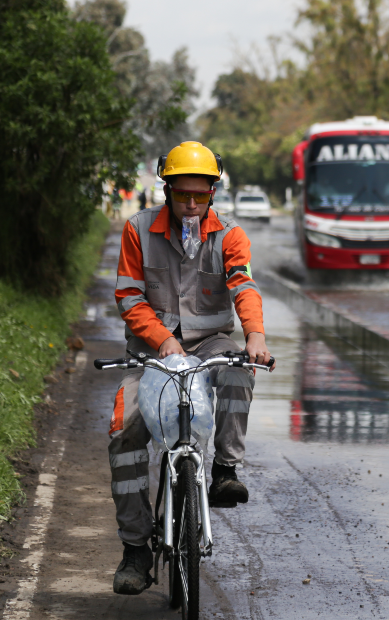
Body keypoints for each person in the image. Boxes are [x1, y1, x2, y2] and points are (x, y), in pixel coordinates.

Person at [108, 141, 271, 595]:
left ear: (213, 193)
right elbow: (128, 297)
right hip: (150, 350)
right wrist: (164, 341)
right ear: (168, 191)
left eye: (201, 195)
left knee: (239, 369)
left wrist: (254, 334)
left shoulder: (231, 235)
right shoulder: (138, 229)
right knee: (125, 431)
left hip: (210, 343)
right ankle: (136, 549)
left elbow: (243, 286)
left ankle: (224, 471)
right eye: (183, 196)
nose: (192, 205)